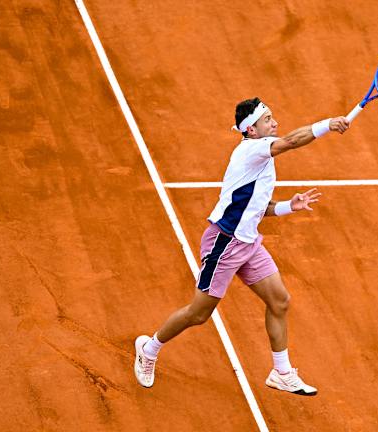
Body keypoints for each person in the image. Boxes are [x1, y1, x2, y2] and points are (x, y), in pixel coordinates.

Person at [134, 97, 350, 396]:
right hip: (224, 243)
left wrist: (290, 206)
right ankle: (149, 348)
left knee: (279, 301)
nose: (274, 124)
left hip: (248, 242)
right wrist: (327, 124)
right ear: (251, 129)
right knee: (199, 314)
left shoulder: (262, 157)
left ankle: (281, 372)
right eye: (267, 120)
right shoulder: (252, 150)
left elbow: (257, 207)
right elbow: (291, 141)